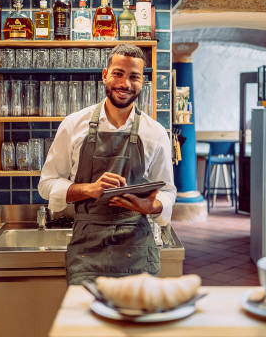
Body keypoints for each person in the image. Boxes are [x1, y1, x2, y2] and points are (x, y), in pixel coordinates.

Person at [38, 43, 176, 285]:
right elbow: (47, 184)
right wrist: (88, 189)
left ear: (142, 81)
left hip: (137, 250)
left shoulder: (155, 133)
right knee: (87, 321)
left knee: (136, 322)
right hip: (86, 251)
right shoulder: (73, 126)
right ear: (105, 75)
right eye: (118, 74)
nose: (124, 84)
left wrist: (151, 206)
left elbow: (167, 191)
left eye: (133, 76)